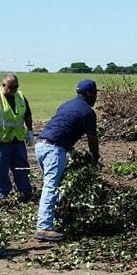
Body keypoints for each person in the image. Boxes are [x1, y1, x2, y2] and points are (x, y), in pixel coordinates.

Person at [34, 79, 100, 242]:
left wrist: (73, 153)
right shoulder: (87, 112)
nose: (96, 97)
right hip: (54, 149)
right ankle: (44, 226)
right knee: (51, 186)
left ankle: (57, 218)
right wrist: (95, 157)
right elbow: (92, 138)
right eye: (95, 93)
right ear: (89, 94)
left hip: (41, 145)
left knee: (57, 184)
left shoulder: (66, 105)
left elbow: (62, 127)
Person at [0, 74, 34, 201]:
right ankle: (2, 196)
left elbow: (27, 115)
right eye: (11, 87)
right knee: (0, 170)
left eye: (16, 87)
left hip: (18, 140)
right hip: (0, 141)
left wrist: (30, 131)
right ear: (4, 85)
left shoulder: (20, 96)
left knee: (22, 168)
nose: (14, 90)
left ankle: (25, 193)